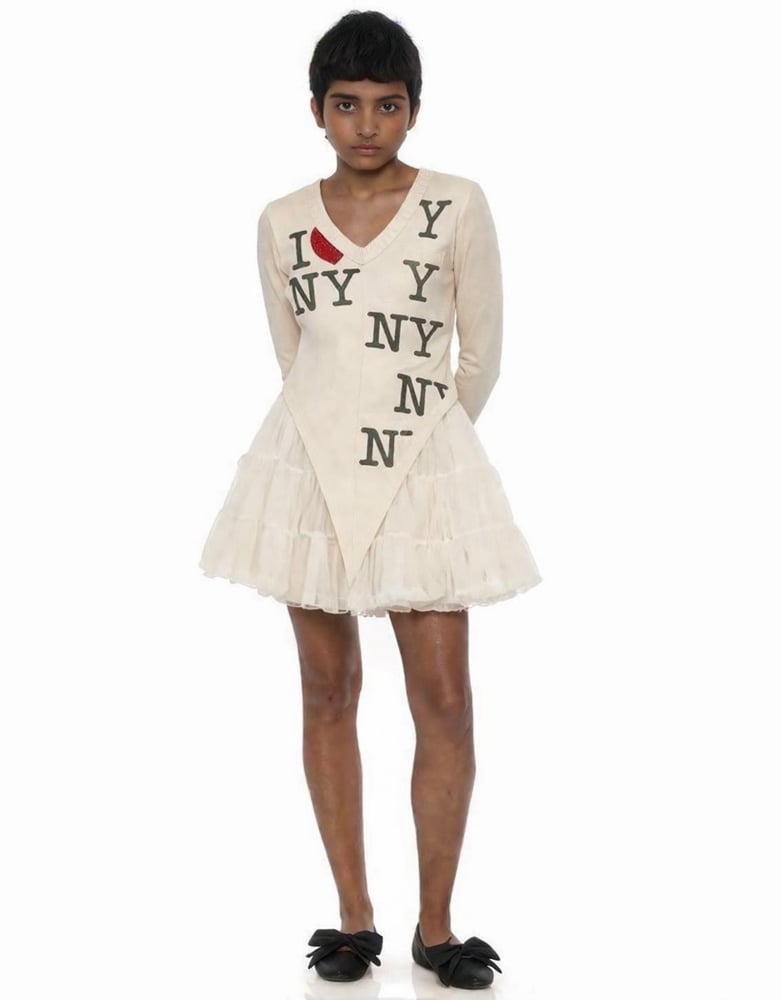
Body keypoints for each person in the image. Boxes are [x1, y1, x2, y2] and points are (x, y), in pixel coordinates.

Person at [199, 9, 542, 989]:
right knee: (326, 688)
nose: (366, 125)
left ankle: (436, 926)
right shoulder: (280, 221)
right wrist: (338, 437)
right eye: (346, 105)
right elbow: (295, 356)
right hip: (308, 469)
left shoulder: (455, 206)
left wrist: (423, 441)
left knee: (445, 699)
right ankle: (354, 917)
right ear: (316, 110)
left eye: (386, 106)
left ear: (413, 110)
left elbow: (479, 354)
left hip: (422, 465)